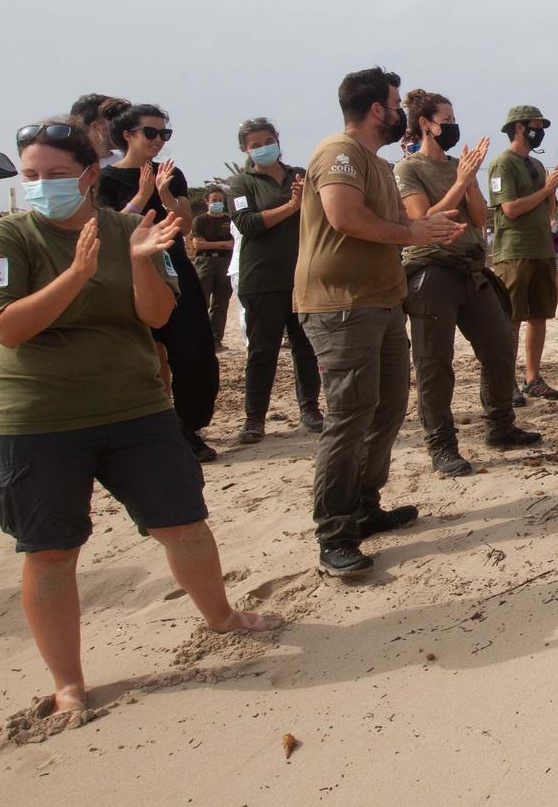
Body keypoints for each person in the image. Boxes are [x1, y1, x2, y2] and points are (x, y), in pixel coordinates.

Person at [0, 118, 282, 716]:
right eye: (31, 175)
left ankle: (221, 615)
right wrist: (77, 274)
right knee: (51, 551)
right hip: (35, 419)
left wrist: (134, 261)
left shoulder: (133, 230)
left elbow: (157, 315)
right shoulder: (4, 240)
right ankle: (69, 681)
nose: (41, 185)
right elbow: (4, 327)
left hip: (135, 408)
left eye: (55, 175)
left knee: (183, 522)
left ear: (88, 175)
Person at [297, 67, 461, 575]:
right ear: (376, 110)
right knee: (349, 416)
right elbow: (345, 217)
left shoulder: (375, 160)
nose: (401, 113)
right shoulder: (339, 153)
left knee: (386, 409)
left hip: (383, 303)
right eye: (395, 104)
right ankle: (335, 532)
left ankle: (365, 507)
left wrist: (418, 229)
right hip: (341, 308)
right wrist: (415, 232)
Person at [395, 88, 541, 475]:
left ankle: (500, 425)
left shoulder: (460, 166)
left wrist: (470, 180)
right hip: (430, 269)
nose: (453, 126)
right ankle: (441, 445)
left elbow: (477, 218)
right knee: (434, 363)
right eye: (447, 120)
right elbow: (423, 220)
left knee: (498, 347)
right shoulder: (408, 168)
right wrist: (460, 182)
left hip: (471, 268)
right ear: (425, 124)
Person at [99, 105, 222, 462]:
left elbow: (183, 225)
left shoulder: (172, 174)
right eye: (150, 133)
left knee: (194, 351)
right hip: (129, 270)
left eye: (163, 134)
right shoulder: (107, 179)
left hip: (173, 266)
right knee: (145, 356)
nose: (158, 140)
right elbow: (109, 228)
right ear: (127, 135)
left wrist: (165, 194)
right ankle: (149, 431)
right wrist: (141, 196)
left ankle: (188, 427)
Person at [224, 118, 323, 445]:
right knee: (262, 352)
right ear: (245, 149)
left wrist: (304, 202)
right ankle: (254, 419)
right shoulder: (241, 184)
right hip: (262, 280)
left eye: (268, 140)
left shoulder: (300, 175)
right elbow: (248, 223)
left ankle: (310, 409)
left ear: (278, 140)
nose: (263, 147)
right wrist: (291, 206)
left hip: (302, 277)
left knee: (305, 348)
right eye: (255, 144)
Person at [489, 105, 558, 401]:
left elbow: (548, 209)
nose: (539, 132)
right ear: (518, 127)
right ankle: (506, 382)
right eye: (534, 125)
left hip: (541, 249)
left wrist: (552, 189)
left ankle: (532, 378)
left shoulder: (536, 166)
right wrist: (546, 188)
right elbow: (511, 209)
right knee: (511, 319)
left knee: (539, 315)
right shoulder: (503, 163)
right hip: (514, 251)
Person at [189, 185, 235, 348]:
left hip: (225, 264)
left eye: (220, 200)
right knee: (202, 301)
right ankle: (199, 337)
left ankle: (216, 339)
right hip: (205, 263)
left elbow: (234, 244)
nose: (218, 203)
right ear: (206, 202)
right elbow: (198, 245)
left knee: (221, 303)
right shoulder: (200, 220)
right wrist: (224, 244)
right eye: (214, 200)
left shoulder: (229, 220)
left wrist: (213, 244)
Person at [68, 94, 129, 167]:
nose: (122, 125)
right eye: (113, 119)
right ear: (96, 128)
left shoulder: (132, 161)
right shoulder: (74, 169)